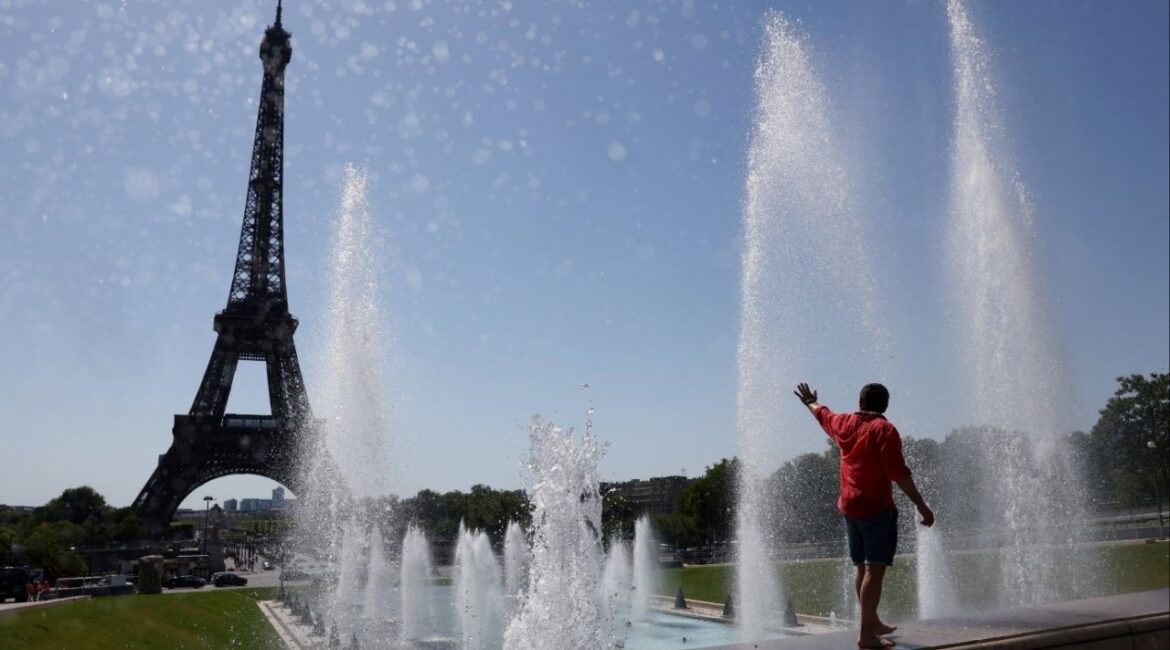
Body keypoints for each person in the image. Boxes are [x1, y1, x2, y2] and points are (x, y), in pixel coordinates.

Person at [794, 382, 934, 649]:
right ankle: (866, 635)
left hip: (849, 508)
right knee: (874, 570)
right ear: (885, 405)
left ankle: (873, 622)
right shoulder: (883, 430)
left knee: (862, 568)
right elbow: (899, 473)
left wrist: (809, 401)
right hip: (875, 509)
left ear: (860, 401)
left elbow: (822, 413)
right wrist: (921, 505)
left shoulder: (845, 423)